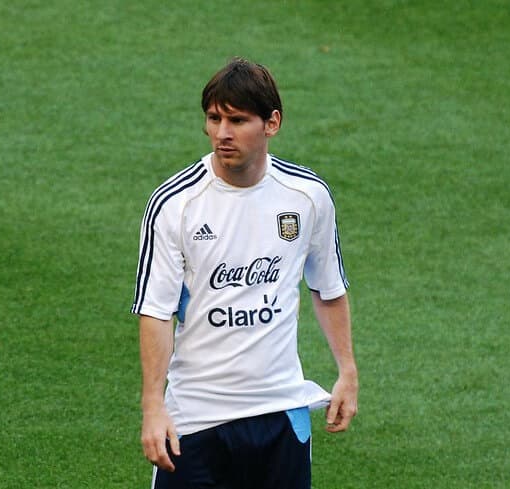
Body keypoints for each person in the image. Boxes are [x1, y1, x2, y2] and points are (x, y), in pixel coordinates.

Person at [131, 57, 358, 489]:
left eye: (236, 120)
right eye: (214, 119)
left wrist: (347, 370)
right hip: (196, 419)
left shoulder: (307, 196)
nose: (222, 133)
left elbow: (328, 288)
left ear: (271, 123)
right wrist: (152, 408)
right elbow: (156, 312)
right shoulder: (175, 204)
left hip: (280, 413)